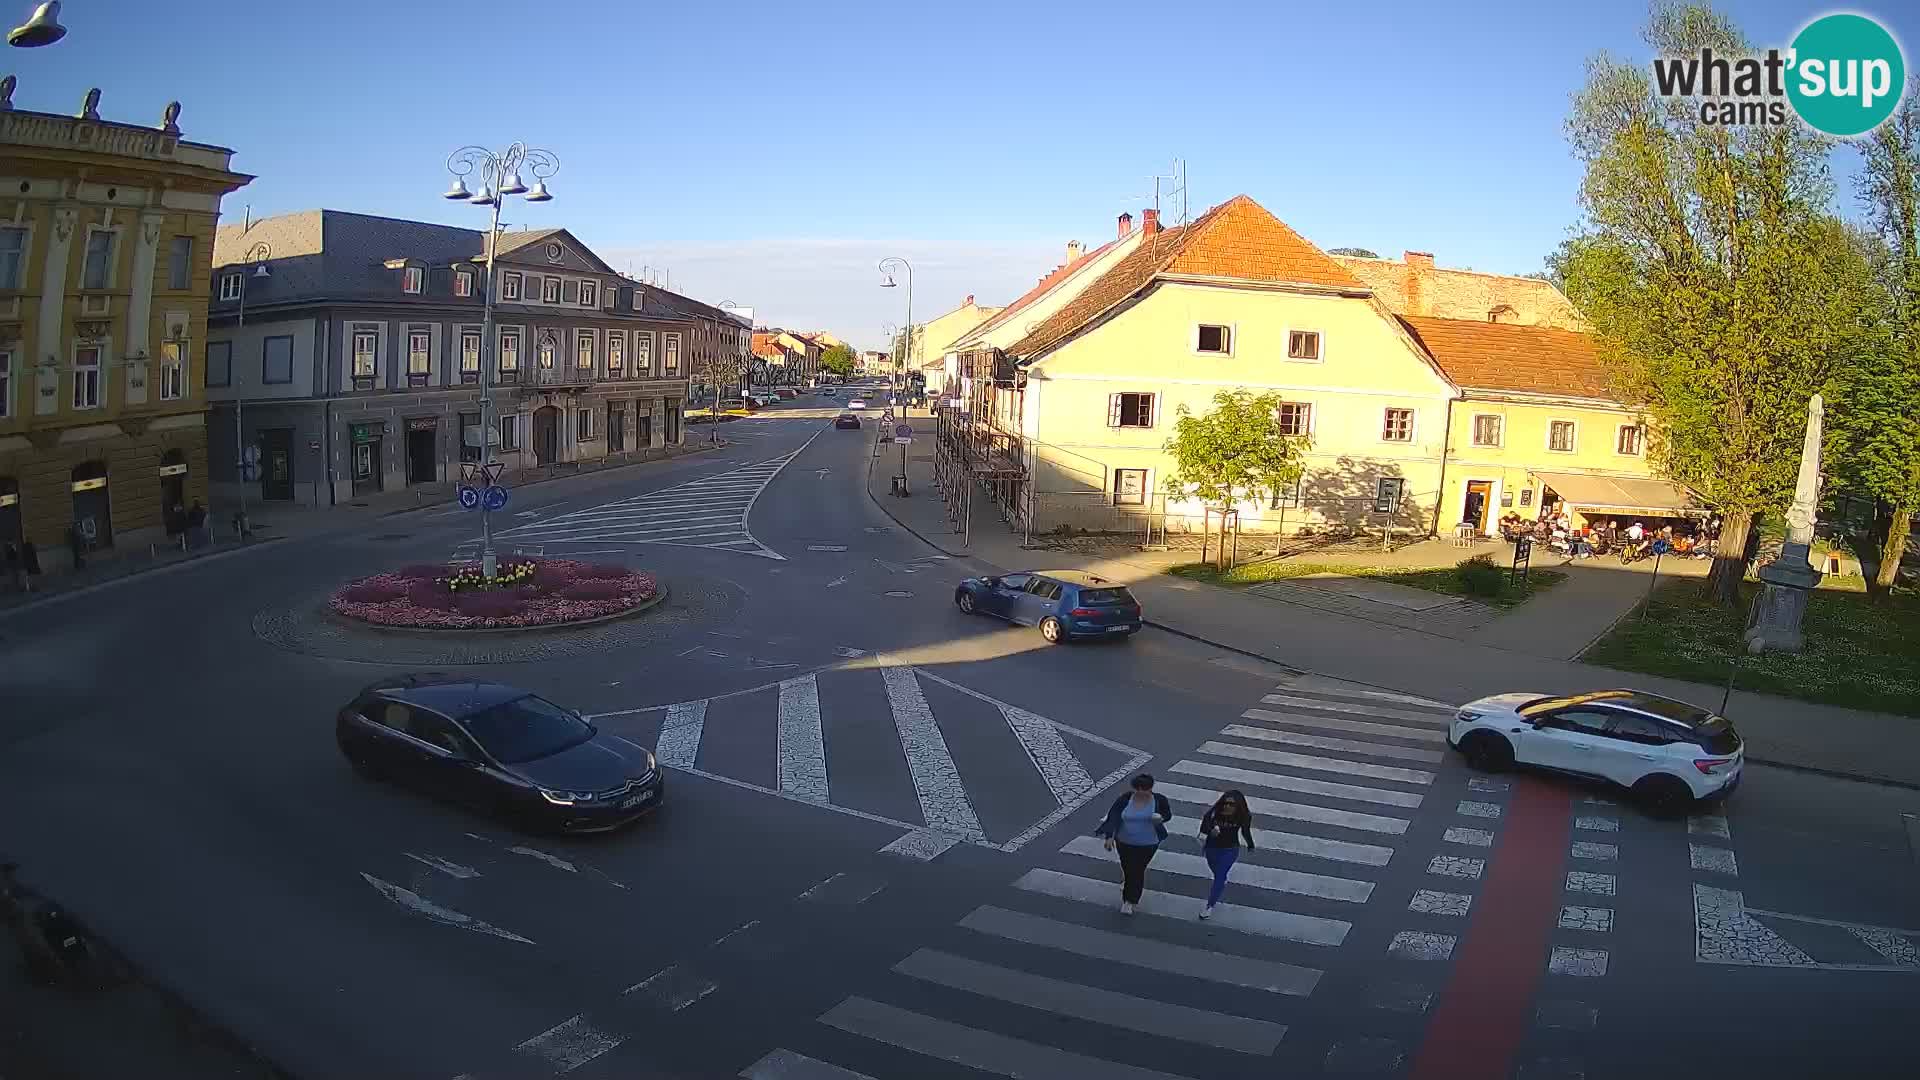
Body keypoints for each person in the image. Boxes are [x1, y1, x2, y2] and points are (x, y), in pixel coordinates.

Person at [1096, 773, 1171, 915]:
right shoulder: (1125, 799)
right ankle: (1129, 886)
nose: (1141, 792)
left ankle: (1129, 900)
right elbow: (1113, 816)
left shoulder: (1159, 800)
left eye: (1144, 789)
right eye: (1138, 789)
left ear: (1150, 788)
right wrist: (1109, 836)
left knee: (1137, 870)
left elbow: (1167, 815)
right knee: (1127, 867)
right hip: (1124, 841)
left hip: (1148, 843)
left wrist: (1160, 818)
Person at [1197, 790, 1256, 918]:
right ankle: (1220, 882)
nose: (1227, 806)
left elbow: (1245, 831)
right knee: (1216, 871)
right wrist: (1211, 831)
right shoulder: (1214, 813)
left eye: (1231, 805)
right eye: (1226, 803)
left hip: (1230, 849)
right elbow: (1203, 828)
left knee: (1220, 876)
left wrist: (1250, 844)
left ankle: (1209, 906)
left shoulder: (1244, 815)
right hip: (1212, 848)